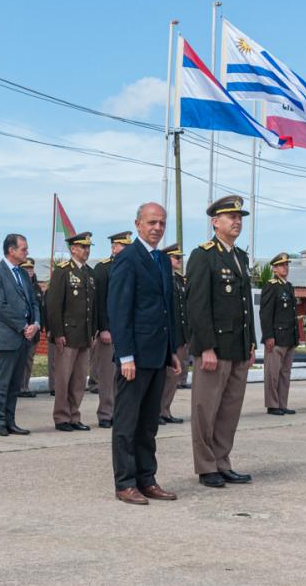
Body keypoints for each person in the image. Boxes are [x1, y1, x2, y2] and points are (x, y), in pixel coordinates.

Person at [107, 202, 182, 505]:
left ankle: (146, 479)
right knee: (127, 423)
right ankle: (125, 483)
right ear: (138, 224)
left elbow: (167, 308)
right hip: (134, 358)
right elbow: (119, 309)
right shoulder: (127, 259)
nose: (157, 228)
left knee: (149, 423)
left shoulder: (162, 261)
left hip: (157, 354)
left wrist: (171, 350)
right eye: (152, 222)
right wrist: (125, 355)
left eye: (162, 223)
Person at [186, 195, 255, 488]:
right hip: (215, 348)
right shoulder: (203, 255)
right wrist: (206, 348)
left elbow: (245, 304)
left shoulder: (240, 256)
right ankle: (206, 466)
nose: (237, 222)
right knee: (206, 409)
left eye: (240, 217)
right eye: (231, 217)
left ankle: (223, 461)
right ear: (216, 222)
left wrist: (251, 343)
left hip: (238, 347)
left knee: (229, 410)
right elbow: (197, 306)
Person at [0, 234, 39, 437]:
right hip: (9, 335)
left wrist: (35, 324)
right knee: (4, 381)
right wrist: (22, 326)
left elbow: (33, 301)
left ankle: (11, 420)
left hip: (26, 335)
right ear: (11, 250)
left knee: (16, 382)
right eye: (24, 249)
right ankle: (0, 421)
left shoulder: (23, 274)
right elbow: (1, 306)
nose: (27, 252)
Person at [46, 232, 97, 431]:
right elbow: (54, 305)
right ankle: (61, 417)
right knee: (63, 378)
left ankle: (74, 415)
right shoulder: (62, 271)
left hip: (84, 335)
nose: (86, 250)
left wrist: (93, 331)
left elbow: (93, 306)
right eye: (83, 247)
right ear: (73, 249)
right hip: (67, 335)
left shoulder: (89, 273)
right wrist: (58, 333)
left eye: (88, 247)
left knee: (78, 380)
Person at [91, 231, 133, 429]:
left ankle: (120, 412)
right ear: (114, 247)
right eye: (123, 246)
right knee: (108, 376)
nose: (126, 249)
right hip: (110, 330)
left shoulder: (131, 268)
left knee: (124, 376)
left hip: (128, 330)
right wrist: (103, 328)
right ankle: (106, 413)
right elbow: (99, 301)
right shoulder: (103, 268)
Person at [260, 252, 298, 415]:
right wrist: (268, 336)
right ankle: (272, 404)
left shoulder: (288, 286)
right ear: (274, 268)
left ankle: (282, 403)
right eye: (282, 265)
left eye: (287, 265)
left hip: (289, 337)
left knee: (285, 373)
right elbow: (266, 313)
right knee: (272, 373)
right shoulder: (271, 286)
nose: (285, 268)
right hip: (276, 337)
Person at [158, 243, 187, 425]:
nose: (179, 260)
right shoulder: (161, 278)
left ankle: (165, 410)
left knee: (174, 376)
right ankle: (157, 411)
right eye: (176, 257)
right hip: (166, 335)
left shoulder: (178, 280)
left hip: (179, 335)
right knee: (163, 377)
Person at [18, 257, 44, 397]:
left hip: (35, 330)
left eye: (31, 268)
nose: (29, 271)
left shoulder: (36, 287)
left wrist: (40, 326)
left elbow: (41, 309)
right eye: (26, 268)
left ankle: (25, 386)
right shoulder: (18, 285)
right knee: (20, 360)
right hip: (22, 330)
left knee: (29, 360)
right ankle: (18, 387)